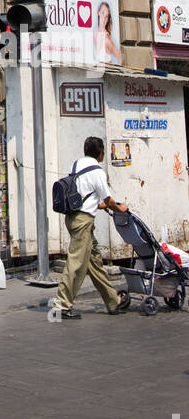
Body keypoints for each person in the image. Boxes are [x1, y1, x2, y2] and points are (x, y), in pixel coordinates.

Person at [50, 136, 130, 320]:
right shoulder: (98, 171)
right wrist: (120, 208)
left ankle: (113, 301)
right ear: (101, 153)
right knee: (76, 263)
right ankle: (61, 306)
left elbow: (85, 193)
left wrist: (98, 205)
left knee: (94, 263)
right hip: (83, 222)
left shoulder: (77, 164)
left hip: (72, 218)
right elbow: (108, 200)